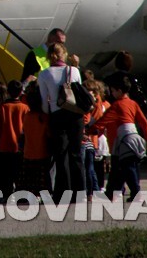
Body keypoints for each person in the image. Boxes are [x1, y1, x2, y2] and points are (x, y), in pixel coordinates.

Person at [37, 42, 86, 202]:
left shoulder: (44, 74)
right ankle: (81, 193)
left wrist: (48, 114)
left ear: (48, 56)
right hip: (76, 116)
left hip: (58, 115)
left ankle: (63, 193)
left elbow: (44, 102)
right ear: (64, 54)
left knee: (61, 155)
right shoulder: (74, 71)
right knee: (76, 154)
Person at [91, 75, 147, 201]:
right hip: (134, 136)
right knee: (118, 168)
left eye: (113, 91)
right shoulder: (133, 103)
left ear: (118, 90)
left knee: (127, 168)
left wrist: (89, 130)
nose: (112, 93)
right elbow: (143, 122)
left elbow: (103, 121)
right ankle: (110, 193)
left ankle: (136, 192)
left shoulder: (117, 105)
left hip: (124, 140)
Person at [0, 80, 30, 200]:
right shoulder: (25, 108)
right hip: (19, 145)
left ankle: (6, 194)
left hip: (4, 143)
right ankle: (19, 194)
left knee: (5, 172)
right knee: (18, 172)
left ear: (8, 92)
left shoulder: (3, 107)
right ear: (21, 92)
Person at [18, 82, 51, 196]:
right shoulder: (45, 117)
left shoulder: (27, 116)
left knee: (28, 178)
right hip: (42, 152)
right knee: (42, 179)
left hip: (28, 152)